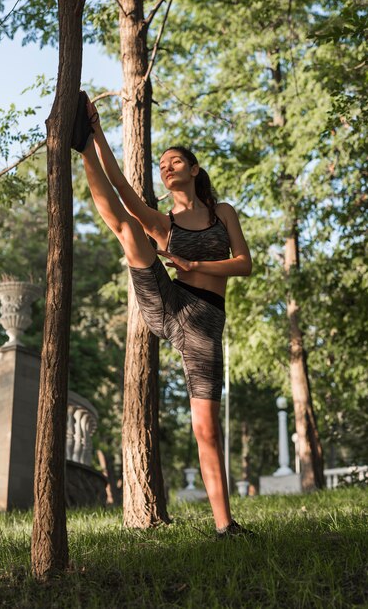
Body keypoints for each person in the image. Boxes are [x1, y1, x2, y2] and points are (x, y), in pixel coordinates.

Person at [72, 92, 253, 538]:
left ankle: (225, 525)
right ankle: (79, 148)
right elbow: (122, 192)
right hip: (169, 304)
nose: (167, 167)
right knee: (127, 229)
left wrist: (196, 265)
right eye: (163, 164)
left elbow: (244, 264)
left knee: (206, 430)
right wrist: (94, 136)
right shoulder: (164, 225)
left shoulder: (222, 213)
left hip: (205, 325)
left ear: (194, 170)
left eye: (175, 161)